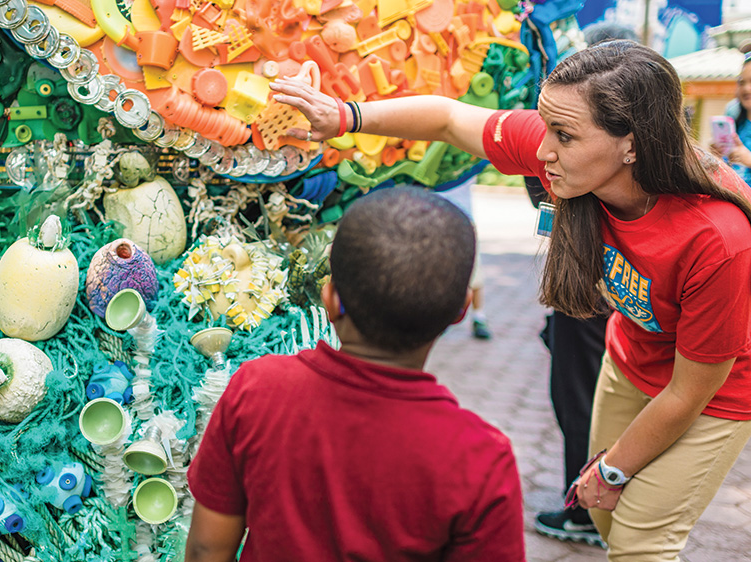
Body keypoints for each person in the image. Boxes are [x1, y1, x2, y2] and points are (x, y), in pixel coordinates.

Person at [271, 39, 751, 561]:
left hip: (713, 392)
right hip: (631, 356)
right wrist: (343, 115)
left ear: (631, 144)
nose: (542, 151)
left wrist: (614, 467)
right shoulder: (572, 150)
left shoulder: (718, 238)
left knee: (641, 539)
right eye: (547, 128)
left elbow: (689, 391)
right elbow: (450, 120)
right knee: (603, 515)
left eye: (563, 136)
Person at [185, 188, 525, 561]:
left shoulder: (257, 389)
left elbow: (207, 548)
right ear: (460, 312)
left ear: (329, 299)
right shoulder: (481, 459)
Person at [533, 21, 637, 547]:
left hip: (594, 300)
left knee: (583, 398)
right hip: (601, 301)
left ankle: (589, 507)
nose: (550, 147)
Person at [436, 177, 492, 339]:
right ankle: (442, 317)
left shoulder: (468, 161)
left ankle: (479, 316)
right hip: (435, 218)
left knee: (474, 270)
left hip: (464, 218)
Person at [709, 48, 751, 184]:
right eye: (742, 82)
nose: (746, 89)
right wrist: (716, 157)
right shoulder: (733, 114)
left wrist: (748, 159)